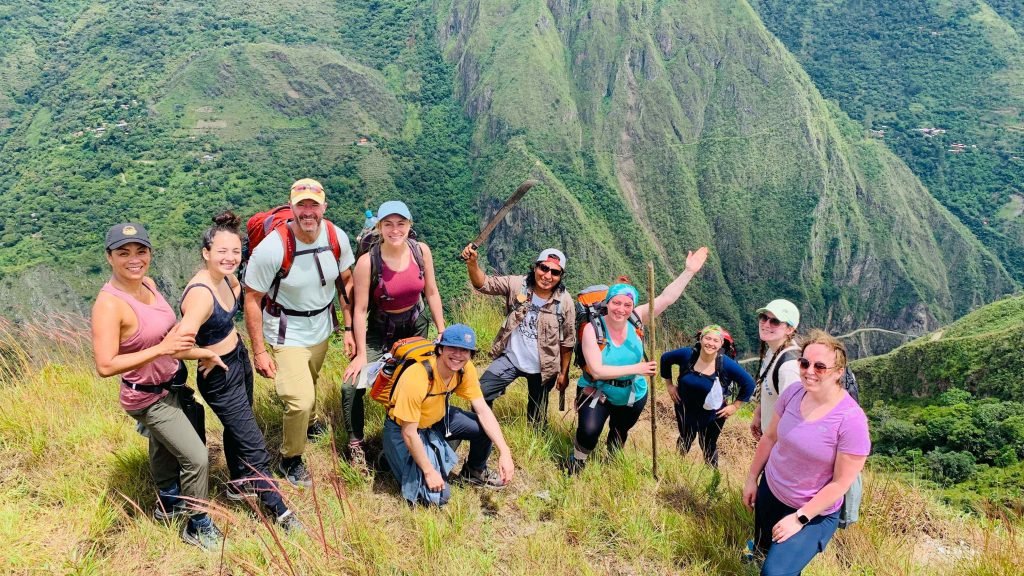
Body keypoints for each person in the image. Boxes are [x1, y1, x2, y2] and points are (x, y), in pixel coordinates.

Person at [91, 223, 225, 549]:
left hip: (171, 384)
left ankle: (167, 504)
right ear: (109, 257)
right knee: (196, 458)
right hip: (147, 396)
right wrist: (161, 351)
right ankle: (198, 524)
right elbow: (105, 365)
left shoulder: (148, 285)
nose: (134, 259)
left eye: (141, 251)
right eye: (124, 253)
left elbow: (169, 337)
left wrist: (199, 352)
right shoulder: (109, 305)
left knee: (165, 445)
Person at [179, 211, 300, 531]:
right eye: (221, 251)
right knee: (254, 442)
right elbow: (176, 345)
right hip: (218, 375)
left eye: (235, 252)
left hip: (239, 359)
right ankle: (279, 510)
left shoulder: (229, 279)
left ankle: (238, 482)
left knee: (239, 428)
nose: (230, 257)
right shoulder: (201, 295)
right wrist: (204, 352)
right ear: (206, 253)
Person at [244, 178, 356, 487]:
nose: (308, 212)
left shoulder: (336, 237)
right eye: (301, 206)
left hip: (320, 326)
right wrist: (259, 351)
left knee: (311, 379)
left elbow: (346, 282)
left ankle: (304, 425)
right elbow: (251, 299)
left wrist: (348, 328)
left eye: (314, 205)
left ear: (324, 207)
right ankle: (290, 459)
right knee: (301, 400)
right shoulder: (272, 248)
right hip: (286, 331)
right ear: (291, 208)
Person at [567, 247, 708, 472]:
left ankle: (611, 464)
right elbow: (596, 370)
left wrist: (688, 272)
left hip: (633, 394)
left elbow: (666, 298)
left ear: (633, 306)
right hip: (598, 390)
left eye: (627, 305)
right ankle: (577, 461)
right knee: (589, 431)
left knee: (620, 430)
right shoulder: (593, 329)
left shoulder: (636, 319)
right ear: (607, 302)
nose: (621, 309)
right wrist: (639, 367)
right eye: (616, 303)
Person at [742, 330, 870, 575]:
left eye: (820, 366)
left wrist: (800, 518)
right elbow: (769, 438)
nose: (809, 371)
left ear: (838, 372)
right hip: (772, 491)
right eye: (804, 363)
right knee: (763, 549)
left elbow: (840, 483)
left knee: (775, 572)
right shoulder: (793, 393)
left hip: (814, 511)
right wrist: (752, 478)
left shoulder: (851, 420)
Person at [341, 201, 446, 467]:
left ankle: (421, 429)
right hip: (380, 327)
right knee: (351, 385)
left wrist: (442, 329)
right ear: (379, 227)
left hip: (414, 326)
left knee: (425, 378)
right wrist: (362, 355)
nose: (395, 230)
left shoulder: (421, 252)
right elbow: (360, 308)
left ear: (410, 226)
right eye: (388, 224)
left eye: (401, 223)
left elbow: (431, 292)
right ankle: (355, 443)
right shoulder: (368, 262)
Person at [381, 324, 515, 506]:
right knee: (436, 497)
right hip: (404, 429)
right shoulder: (417, 376)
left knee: (483, 428)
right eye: (452, 348)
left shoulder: (464, 369)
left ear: (471, 354)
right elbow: (409, 432)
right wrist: (429, 472)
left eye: (465, 350)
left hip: (438, 419)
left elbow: (483, 409)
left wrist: (504, 451)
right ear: (440, 349)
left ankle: (474, 472)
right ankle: (389, 458)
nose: (458, 355)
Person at [458, 245, 575, 427]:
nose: (547, 276)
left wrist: (564, 373)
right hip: (511, 359)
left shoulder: (565, 302)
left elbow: (567, 341)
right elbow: (483, 284)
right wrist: (472, 263)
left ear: (561, 276)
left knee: (536, 419)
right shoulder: (517, 285)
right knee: (481, 393)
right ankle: (485, 433)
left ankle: (533, 447)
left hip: (543, 368)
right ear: (535, 267)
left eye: (555, 272)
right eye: (543, 268)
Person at [660, 324, 755, 467]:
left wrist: (735, 406)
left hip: (714, 414)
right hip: (685, 408)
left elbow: (749, 383)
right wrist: (669, 386)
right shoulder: (687, 355)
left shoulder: (726, 364)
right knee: (685, 438)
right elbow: (665, 359)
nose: (710, 343)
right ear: (700, 339)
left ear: (721, 343)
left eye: (715, 340)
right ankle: (676, 467)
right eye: (707, 338)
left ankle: (711, 477)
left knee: (708, 445)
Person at [749, 300, 801, 441]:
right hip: (770, 438)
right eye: (764, 318)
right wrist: (759, 415)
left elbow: (792, 417)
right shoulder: (773, 352)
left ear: (789, 329)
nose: (766, 324)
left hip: (780, 445)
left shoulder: (789, 368)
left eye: (775, 321)